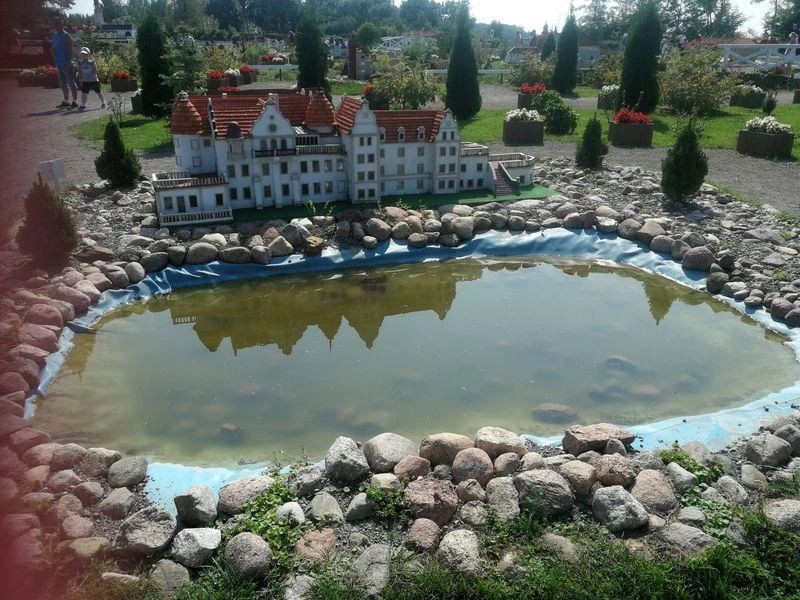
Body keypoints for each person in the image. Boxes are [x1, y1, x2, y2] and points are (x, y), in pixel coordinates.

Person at [51, 17, 77, 108]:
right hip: (58, 64)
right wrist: (53, 53)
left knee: (71, 83)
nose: (57, 25)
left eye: (58, 23)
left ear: (62, 25)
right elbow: (54, 48)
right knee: (63, 84)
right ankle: (66, 101)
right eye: (55, 23)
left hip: (67, 64)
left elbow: (70, 51)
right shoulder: (54, 36)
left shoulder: (67, 36)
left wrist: (67, 62)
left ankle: (75, 101)